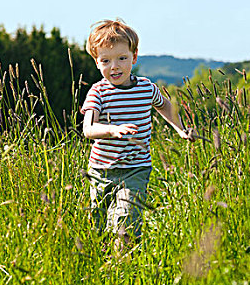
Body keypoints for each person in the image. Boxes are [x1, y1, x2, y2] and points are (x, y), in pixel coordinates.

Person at [81, 19, 193, 249]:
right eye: (106, 60)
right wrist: (112, 130)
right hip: (101, 170)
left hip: (136, 169)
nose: (115, 66)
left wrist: (181, 129)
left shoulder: (146, 88)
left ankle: (123, 268)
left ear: (134, 56)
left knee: (126, 222)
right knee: (100, 228)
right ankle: (104, 269)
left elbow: (165, 106)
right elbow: (88, 129)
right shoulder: (98, 92)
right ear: (97, 63)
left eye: (122, 58)